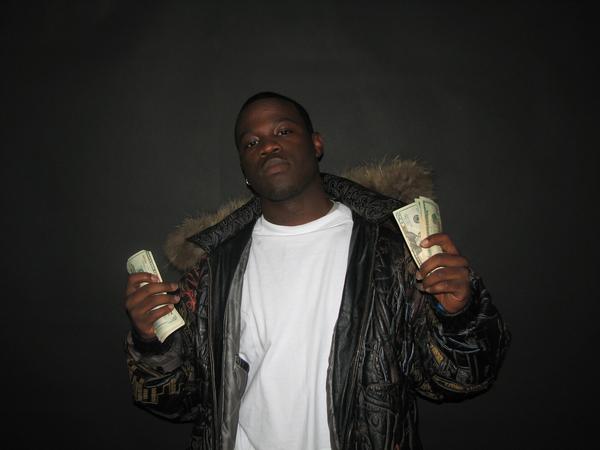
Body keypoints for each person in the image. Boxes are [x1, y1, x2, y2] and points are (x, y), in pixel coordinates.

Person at [124, 91, 510, 450]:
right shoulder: (213, 270)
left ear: (317, 144)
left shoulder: (392, 251)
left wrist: (459, 316)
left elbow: (458, 380)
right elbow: (180, 401)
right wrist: (151, 343)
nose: (268, 145)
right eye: (251, 142)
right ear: (244, 168)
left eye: (283, 131)